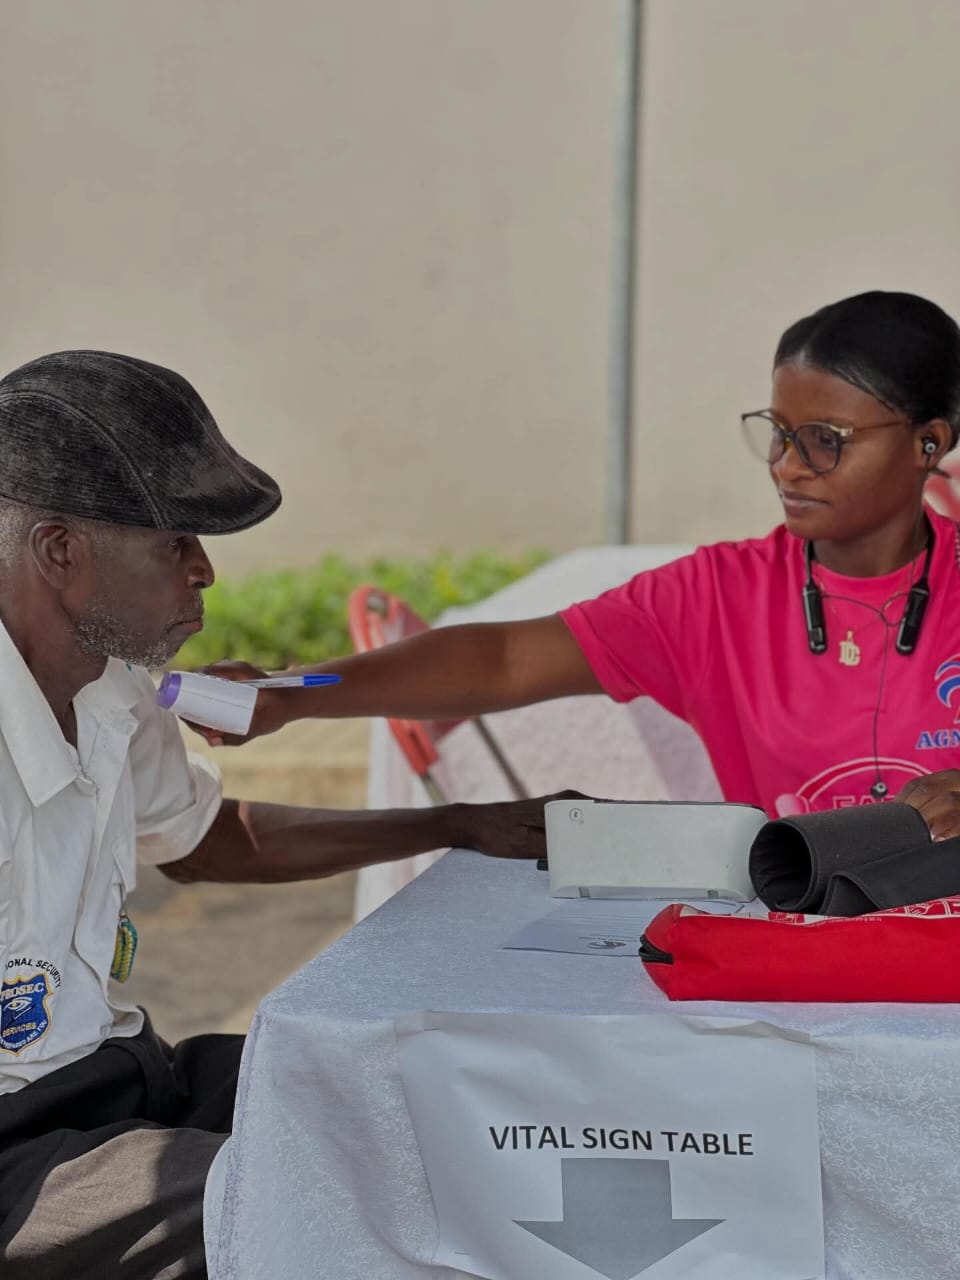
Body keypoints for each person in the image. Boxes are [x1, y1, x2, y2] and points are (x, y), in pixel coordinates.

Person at [0, 349, 568, 1280]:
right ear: (62, 551)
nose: (205, 572)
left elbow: (206, 840)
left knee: (411, 1096)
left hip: (118, 1076)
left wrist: (455, 825)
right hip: (18, 1152)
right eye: (175, 541)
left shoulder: (112, 692)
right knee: (308, 1209)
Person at [200, 291, 960, 840]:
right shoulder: (717, 597)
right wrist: (297, 692)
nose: (788, 468)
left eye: (824, 439)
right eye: (778, 433)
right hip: (811, 951)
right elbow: (499, 659)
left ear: (928, 443)